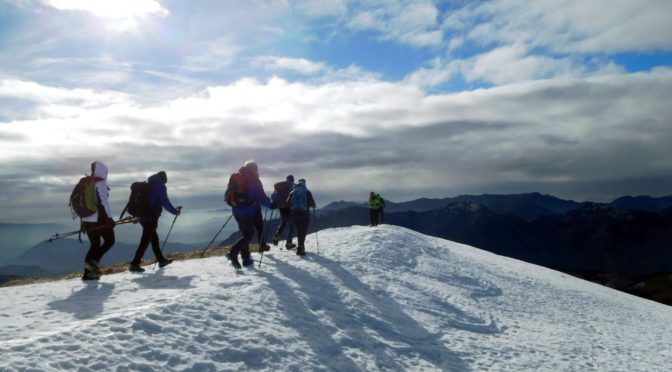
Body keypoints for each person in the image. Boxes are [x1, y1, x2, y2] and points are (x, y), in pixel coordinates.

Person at [129, 171, 181, 273]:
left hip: (142, 216)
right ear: (164, 179)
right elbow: (165, 202)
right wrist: (175, 212)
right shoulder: (160, 186)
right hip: (150, 217)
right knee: (146, 240)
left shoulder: (148, 185)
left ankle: (161, 260)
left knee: (153, 238)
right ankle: (134, 263)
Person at [227, 160, 272, 269]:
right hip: (248, 211)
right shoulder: (254, 180)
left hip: (237, 210)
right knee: (248, 235)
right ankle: (233, 252)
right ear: (254, 169)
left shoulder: (238, 177)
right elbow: (260, 197)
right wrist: (271, 204)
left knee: (245, 234)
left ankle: (246, 259)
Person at [81, 161, 115, 280]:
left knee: (95, 244)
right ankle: (93, 264)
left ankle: (88, 273)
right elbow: (104, 202)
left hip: (86, 219)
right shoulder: (100, 183)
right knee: (110, 240)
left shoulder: (87, 182)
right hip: (99, 218)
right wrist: (110, 219)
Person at [287, 179, 315, 256]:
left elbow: (287, 202)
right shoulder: (307, 192)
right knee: (303, 231)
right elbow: (312, 204)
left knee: (299, 230)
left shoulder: (292, 192)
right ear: (305, 184)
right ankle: (301, 247)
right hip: (304, 215)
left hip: (294, 214)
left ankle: (300, 246)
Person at [271, 175, 295, 248]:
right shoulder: (293, 186)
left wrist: (277, 203)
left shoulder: (280, 186)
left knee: (283, 223)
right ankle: (289, 243)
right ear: (292, 180)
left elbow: (273, 196)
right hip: (289, 208)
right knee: (291, 225)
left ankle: (276, 238)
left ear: (287, 179)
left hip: (281, 208)